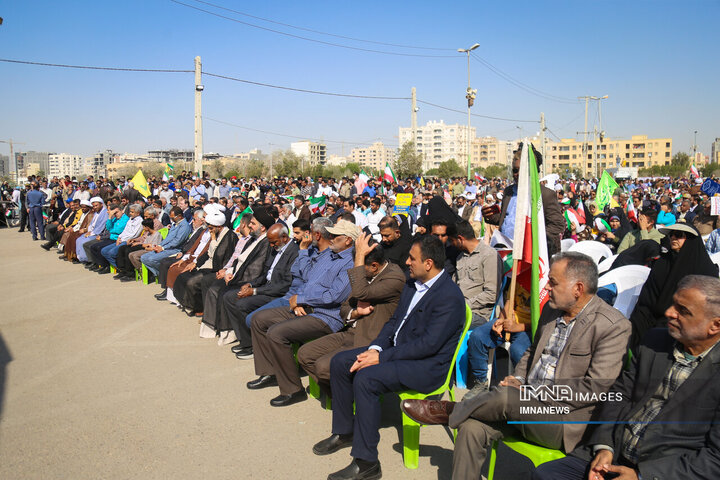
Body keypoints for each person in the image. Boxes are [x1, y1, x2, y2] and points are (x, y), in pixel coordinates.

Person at [399, 252, 631, 480]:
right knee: (470, 428)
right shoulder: (552, 309)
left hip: (564, 419)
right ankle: (462, 415)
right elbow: (533, 351)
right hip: (522, 407)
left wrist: (529, 392)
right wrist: (519, 379)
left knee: (507, 398)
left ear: (578, 289)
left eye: (553, 282)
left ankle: (450, 410)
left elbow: (594, 389)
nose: (546, 288)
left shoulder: (612, 326)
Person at [534, 275, 720, 480]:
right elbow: (619, 395)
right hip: (612, 456)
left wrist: (641, 476)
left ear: (715, 326)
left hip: (663, 472)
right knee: (545, 475)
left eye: (683, 311)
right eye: (673, 304)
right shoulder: (656, 341)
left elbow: (714, 459)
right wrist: (604, 447)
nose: (669, 312)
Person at [312, 235, 466, 480]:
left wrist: (381, 359)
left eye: (412, 259)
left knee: (366, 378)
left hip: (426, 366)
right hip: (398, 353)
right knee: (341, 362)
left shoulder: (449, 297)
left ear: (428, 263)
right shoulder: (411, 284)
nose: (406, 262)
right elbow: (393, 323)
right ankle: (345, 431)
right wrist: (376, 349)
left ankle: (367, 462)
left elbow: (428, 346)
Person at [246, 219, 356, 407]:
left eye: (335, 236)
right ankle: (270, 372)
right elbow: (307, 277)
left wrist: (303, 299)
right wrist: (300, 299)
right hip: (305, 305)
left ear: (348, 241)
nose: (331, 238)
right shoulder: (329, 254)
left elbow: (334, 296)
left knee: (276, 333)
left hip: (326, 316)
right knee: (258, 319)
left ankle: (292, 390)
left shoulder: (349, 263)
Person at [297, 233, 405, 396]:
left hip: (370, 339)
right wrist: (355, 312)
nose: (356, 270)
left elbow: (360, 292)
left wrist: (360, 255)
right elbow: (345, 306)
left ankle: (352, 397)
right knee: (305, 354)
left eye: (360, 266)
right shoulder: (364, 275)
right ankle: (341, 395)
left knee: (323, 366)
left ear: (374, 266)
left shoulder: (394, 277)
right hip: (351, 331)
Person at [628, 222, 718, 349]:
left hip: (684, 322)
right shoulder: (663, 263)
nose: (673, 238)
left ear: (691, 240)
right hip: (652, 317)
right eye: (671, 235)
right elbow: (647, 299)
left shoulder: (705, 269)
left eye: (679, 235)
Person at [225, 223, 299, 358]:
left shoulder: (294, 252)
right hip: (267, 286)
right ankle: (246, 341)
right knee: (229, 296)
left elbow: (285, 284)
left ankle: (254, 346)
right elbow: (265, 274)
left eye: (274, 242)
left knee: (242, 304)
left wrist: (254, 291)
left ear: (284, 237)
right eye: (270, 242)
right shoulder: (275, 249)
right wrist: (250, 284)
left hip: (278, 293)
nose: (271, 245)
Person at [481, 143, 565, 256]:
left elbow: (557, 225)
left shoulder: (545, 194)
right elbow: (507, 219)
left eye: (523, 170)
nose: (518, 174)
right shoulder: (508, 192)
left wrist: (531, 238)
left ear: (532, 170)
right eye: (515, 170)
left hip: (532, 255)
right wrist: (490, 216)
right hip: (508, 251)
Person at [140, 206, 192, 279]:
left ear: (179, 216)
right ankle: (160, 274)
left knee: (152, 259)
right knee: (144, 257)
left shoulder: (184, 226)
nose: (171, 219)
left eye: (173, 218)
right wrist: (159, 246)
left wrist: (163, 248)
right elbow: (168, 238)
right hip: (166, 247)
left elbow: (177, 241)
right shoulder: (174, 224)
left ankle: (164, 276)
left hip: (175, 249)